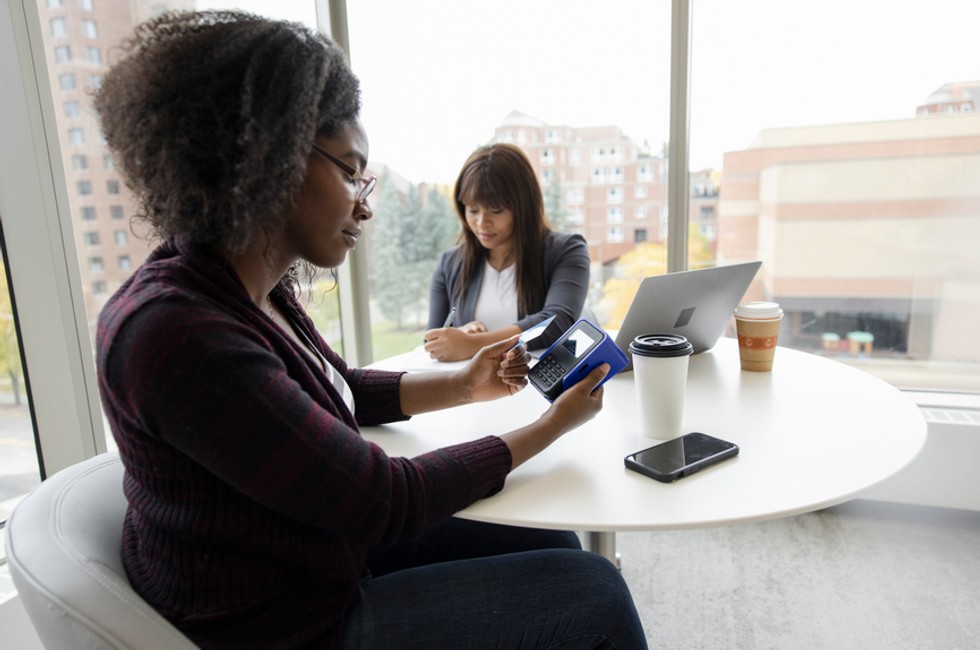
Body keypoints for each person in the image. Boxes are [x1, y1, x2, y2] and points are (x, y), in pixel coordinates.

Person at [93, 11, 647, 649]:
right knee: (594, 591)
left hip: (311, 554)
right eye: (350, 171)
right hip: (284, 623)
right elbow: (385, 500)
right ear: (270, 156)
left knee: (548, 536)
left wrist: (463, 384)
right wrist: (552, 425)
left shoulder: (242, 286)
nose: (365, 201)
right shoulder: (178, 336)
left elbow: (339, 388)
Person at [423, 143, 591, 362]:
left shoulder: (566, 250)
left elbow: (556, 322)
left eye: (496, 210)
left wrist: (472, 345)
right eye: (473, 210)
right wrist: (460, 334)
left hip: (535, 390)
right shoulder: (451, 263)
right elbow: (432, 342)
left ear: (523, 206)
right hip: (473, 392)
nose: (482, 223)